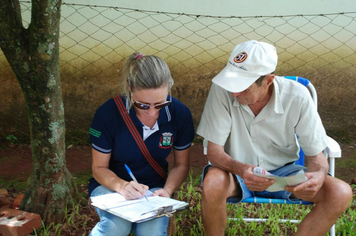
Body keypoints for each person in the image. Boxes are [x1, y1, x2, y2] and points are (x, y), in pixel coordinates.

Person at [196, 40, 353, 236]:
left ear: (268, 80)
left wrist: (317, 177)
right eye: (232, 83)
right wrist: (242, 169)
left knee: (340, 192)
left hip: (283, 177)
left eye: (243, 86)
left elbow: (316, 157)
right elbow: (214, 151)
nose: (234, 92)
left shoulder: (297, 96)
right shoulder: (222, 91)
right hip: (235, 174)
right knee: (212, 182)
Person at [88, 52, 195, 236]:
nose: (151, 112)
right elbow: (99, 168)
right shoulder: (108, 114)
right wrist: (122, 186)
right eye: (143, 105)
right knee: (116, 227)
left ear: (169, 88)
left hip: (155, 190)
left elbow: (182, 164)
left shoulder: (180, 113)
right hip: (111, 186)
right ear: (129, 87)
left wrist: (167, 191)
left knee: (151, 232)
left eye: (160, 104)